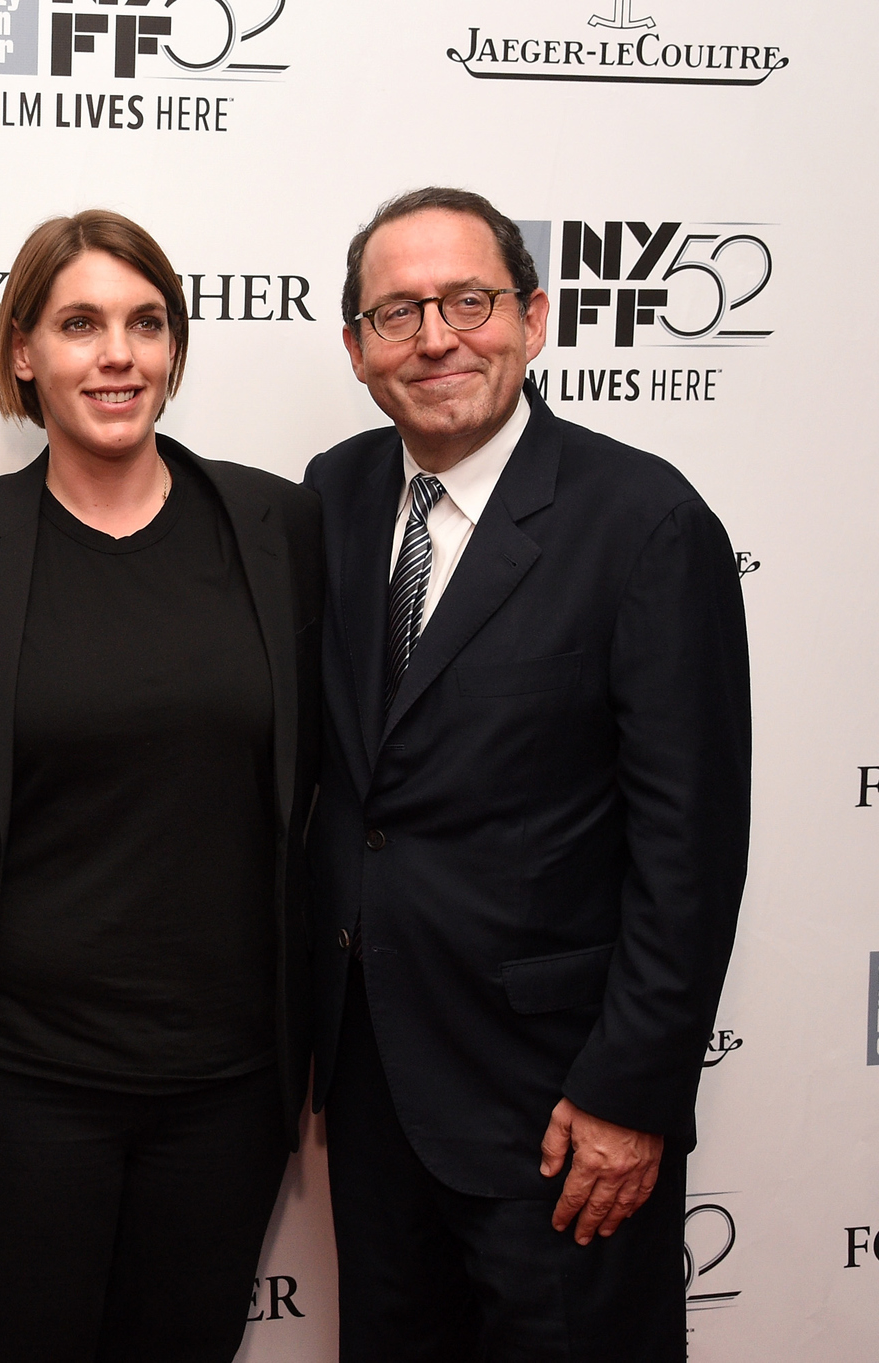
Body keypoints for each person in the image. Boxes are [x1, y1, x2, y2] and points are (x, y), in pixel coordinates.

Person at [304, 187, 750, 1361]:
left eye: (467, 301)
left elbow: (688, 846)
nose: (436, 337)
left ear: (534, 318)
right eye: (396, 313)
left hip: (560, 1113)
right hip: (376, 1093)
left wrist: (631, 1095)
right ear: (354, 350)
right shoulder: (334, 498)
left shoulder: (643, 521)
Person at [0, 210, 323, 1363]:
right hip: (11, 1096)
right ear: (23, 353)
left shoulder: (278, 526)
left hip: (224, 1096)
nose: (117, 355)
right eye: (78, 323)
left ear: (176, 349)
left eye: (146, 323)